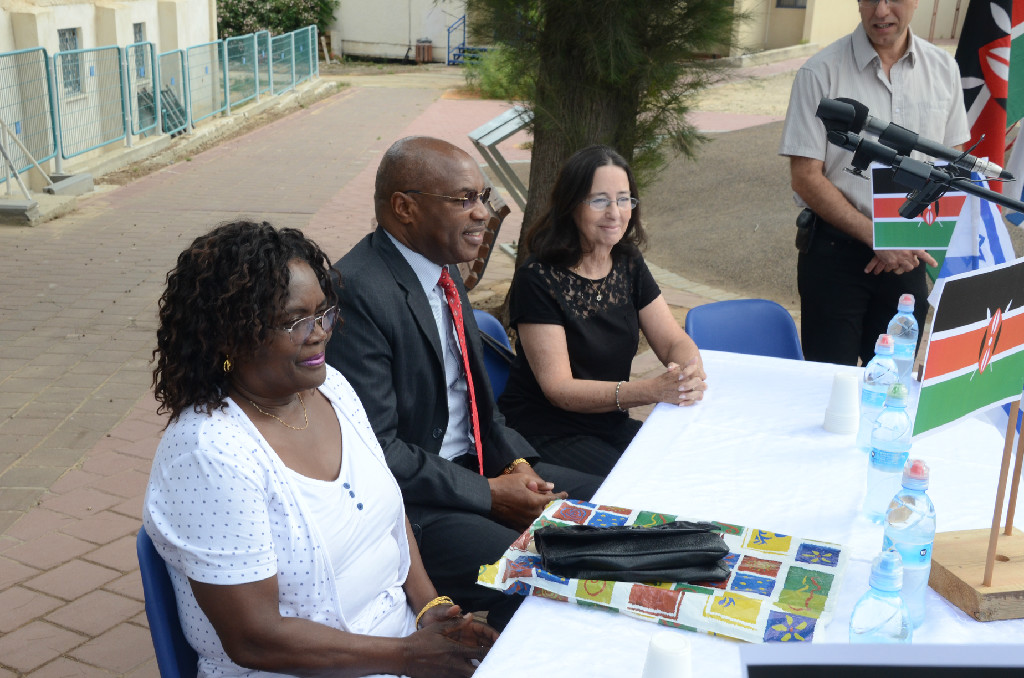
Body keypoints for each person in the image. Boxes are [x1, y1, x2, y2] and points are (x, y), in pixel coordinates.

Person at [143, 221, 497, 678]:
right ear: (230, 335)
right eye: (295, 321)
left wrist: (431, 609)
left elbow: (388, 516)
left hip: (398, 649)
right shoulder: (208, 456)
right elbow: (254, 638)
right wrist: (408, 656)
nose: (320, 333)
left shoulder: (333, 389)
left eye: (324, 312)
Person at [326, 137, 602, 630]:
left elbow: (479, 406)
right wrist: (491, 494)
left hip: (480, 472)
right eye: (464, 199)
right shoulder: (358, 290)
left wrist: (517, 468)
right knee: (547, 573)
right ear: (405, 207)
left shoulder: (442, 269)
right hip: (418, 508)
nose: (482, 213)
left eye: (483, 196)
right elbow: (377, 450)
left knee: (611, 503)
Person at [497, 145, 707, 478]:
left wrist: (688, 372)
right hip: (547, 430)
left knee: (690, 464)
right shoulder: (537, 278)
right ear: (571, 205)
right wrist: (652, 390)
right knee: (645, 482)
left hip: (608, 422)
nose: (615, 212)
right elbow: (559, 389)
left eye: (624, 199)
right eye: (599, 201)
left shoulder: (627, 262)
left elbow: (672, 340)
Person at [778, 0, 969, 366]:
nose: (881, 11)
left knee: (892, 381)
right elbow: (805, 177)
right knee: (830, 384)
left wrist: (899, 241)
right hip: (835, 255)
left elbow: (952, 165)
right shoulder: (820, 73)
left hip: (906, 260)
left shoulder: (943, 69)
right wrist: (878, 237)